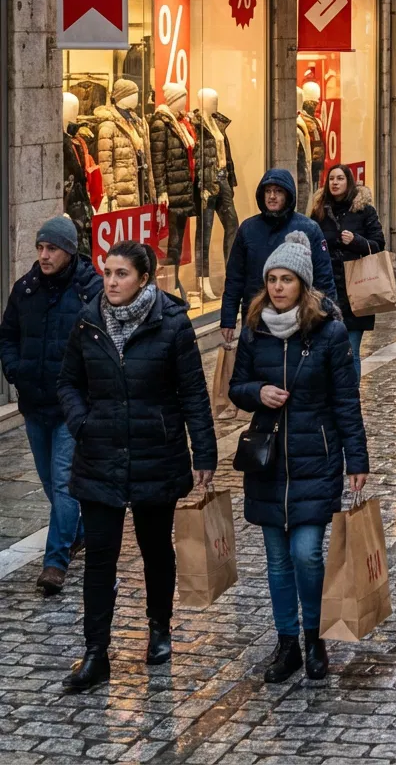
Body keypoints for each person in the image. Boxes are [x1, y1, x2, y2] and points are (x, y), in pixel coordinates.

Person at [56, 241, 217, 691]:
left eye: (121, 274)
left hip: (155, 452)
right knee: (100, 558)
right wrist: (83, 422)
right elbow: (68, 382)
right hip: (100, 455)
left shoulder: (172, 325)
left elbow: (193, 394)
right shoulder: (88, 322)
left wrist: (204, 452)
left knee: (155, 549)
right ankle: (95, 653)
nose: (111, 282)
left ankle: (159, 628)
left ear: (144, 279)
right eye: (107, 272)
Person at [229, 232, 369, 684]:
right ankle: (286, 642)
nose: (277, 287)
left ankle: (314, 637)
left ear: (303, 285)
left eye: (286, 279)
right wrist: (258, 392)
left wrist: (357, 461)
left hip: (315, 457)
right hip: (267, 461)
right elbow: (236, 387)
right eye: (271, 279)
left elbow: (347, 401)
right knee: (276, 559)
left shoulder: (328, 333)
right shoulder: (255, 329)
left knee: (307, 554)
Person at [0, 216, 102, 596]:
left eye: (52, 249)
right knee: (49, 481)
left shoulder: (90, 290)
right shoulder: (24, 289)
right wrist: (16, 371)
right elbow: (8, 334)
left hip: (70, 407)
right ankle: (78, 532)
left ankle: (55, 562)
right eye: (40, 248)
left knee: (63, 481)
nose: (44, 255)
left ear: (69, 251)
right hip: (33, 402)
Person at [221, 169, 336, 343]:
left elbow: (323, 277)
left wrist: (330, 318)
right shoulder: (247, 229)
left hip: (298, 317)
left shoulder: (309, 229)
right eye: (268, 191)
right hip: (256, 316)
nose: (272, 196)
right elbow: (234, 278)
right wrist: (228, 318)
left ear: (288, 195)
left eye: (278, 191)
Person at [310, 165, 385, 381]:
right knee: (324, 350)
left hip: (356, 288)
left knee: (350, 350)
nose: (334, 182)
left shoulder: (364, 211)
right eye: (331, 178)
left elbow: (378, 244)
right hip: (325, 288)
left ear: (348, 182)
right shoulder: (318, 211)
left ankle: (350, 397)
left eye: (340, 178)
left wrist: (356, 241)